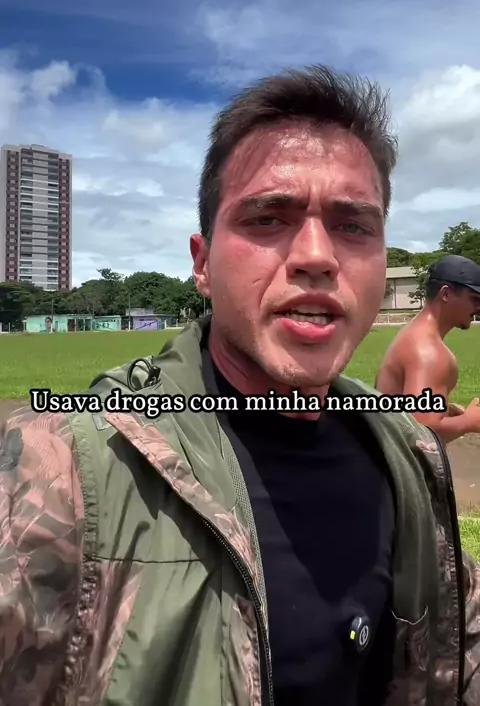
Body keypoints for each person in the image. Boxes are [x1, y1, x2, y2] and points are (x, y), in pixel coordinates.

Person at [1, 65, 480, 706]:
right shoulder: (62, 468)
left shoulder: (407, 457)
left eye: (353, 225)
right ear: (202, 264)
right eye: (268, 218)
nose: (316, 256)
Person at [375, 254, 480, 444]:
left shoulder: (414, 333)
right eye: (475, 299)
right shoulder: (430, 352)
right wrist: (469, 421)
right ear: (445, 294)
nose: (478, 307)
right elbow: (421, 433)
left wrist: (445, 410)